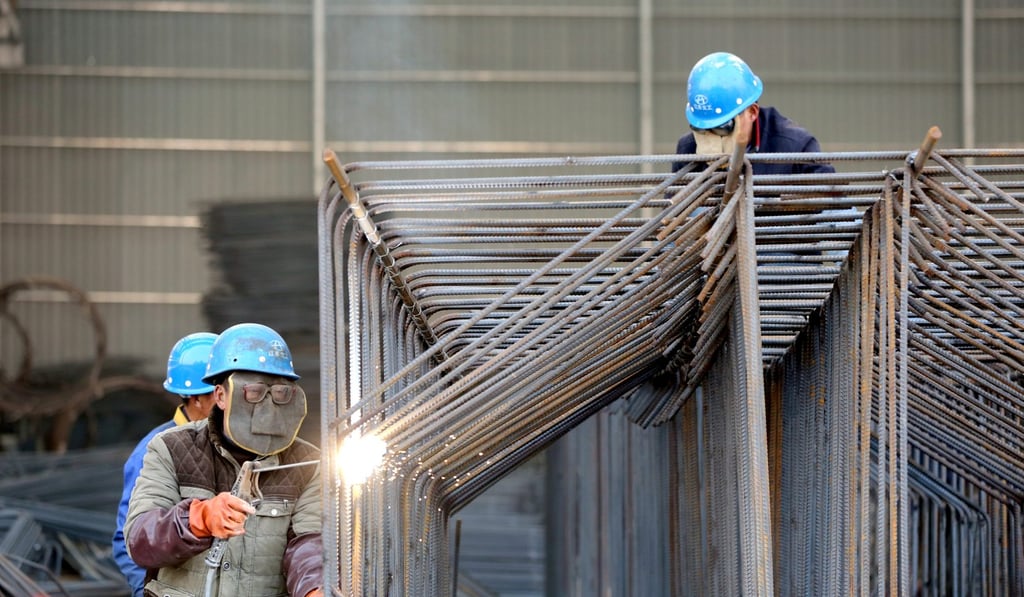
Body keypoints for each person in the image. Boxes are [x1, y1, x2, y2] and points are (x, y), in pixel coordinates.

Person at [124, 323, 324, 597]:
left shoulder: (309, 464)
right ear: (220, 395)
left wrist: (315, 588)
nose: (267, 406)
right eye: (253, 392)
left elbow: (309, 544)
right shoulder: (170, 447)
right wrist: (198, 519)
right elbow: (140, 540)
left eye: (280, 393)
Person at [113, 331, 219, 597]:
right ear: (195, 398)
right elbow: (128, 540)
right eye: (219, 392)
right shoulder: (154, 452)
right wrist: (147, 591)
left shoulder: (239, 445)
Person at [672, 51, 835, 176]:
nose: (711, 138)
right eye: (702, 128)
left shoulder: (795, 147)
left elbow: (832, 204)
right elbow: (674, 213)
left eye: (722, 127)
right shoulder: (688, 149)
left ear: (752, 112)